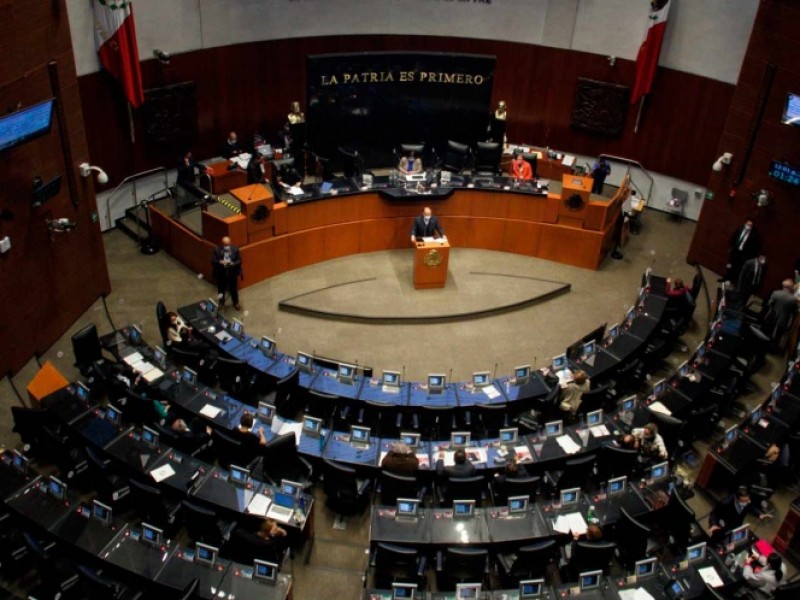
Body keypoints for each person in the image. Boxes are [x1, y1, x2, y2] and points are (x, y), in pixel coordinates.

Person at [763, 279, 799, 346]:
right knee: (777, 337)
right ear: (791, 288)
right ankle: (773, 348)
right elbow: (795, 311)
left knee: (767, 333)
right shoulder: (793, 299)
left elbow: (769, 304)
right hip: (784, 320)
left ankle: (764, 345)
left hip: (772, 316)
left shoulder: (775, 293)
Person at [211, 236, 242, 310]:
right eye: (225, 245)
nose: (226, 246)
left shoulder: (235, 249)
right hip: (221, 274)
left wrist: (233, 263)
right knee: (221, 289)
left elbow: (239, 261)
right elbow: (213, 261)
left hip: (232, 273)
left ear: (230, 243)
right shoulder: (217, 250)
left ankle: (236, 302)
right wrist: (220, 261)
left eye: (228, 244)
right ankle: (221, 303)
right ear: (222, 244)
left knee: (233, 289)